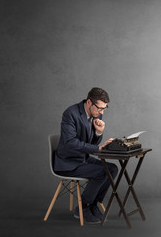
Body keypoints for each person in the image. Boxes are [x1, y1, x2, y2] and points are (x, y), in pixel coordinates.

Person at [54, 87, 118, 224]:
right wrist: (97, 148)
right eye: (100, 108)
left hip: (83, 158)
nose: (101, 112)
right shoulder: (70, 113)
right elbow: (70, 142)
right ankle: (82, 207)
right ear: (89, 102)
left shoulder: (97, 114)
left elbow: (90, 142)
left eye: (104, 109)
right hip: (68, 162)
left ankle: (93, 204)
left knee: (112, 169)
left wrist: (99, 133)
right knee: (101, 172)